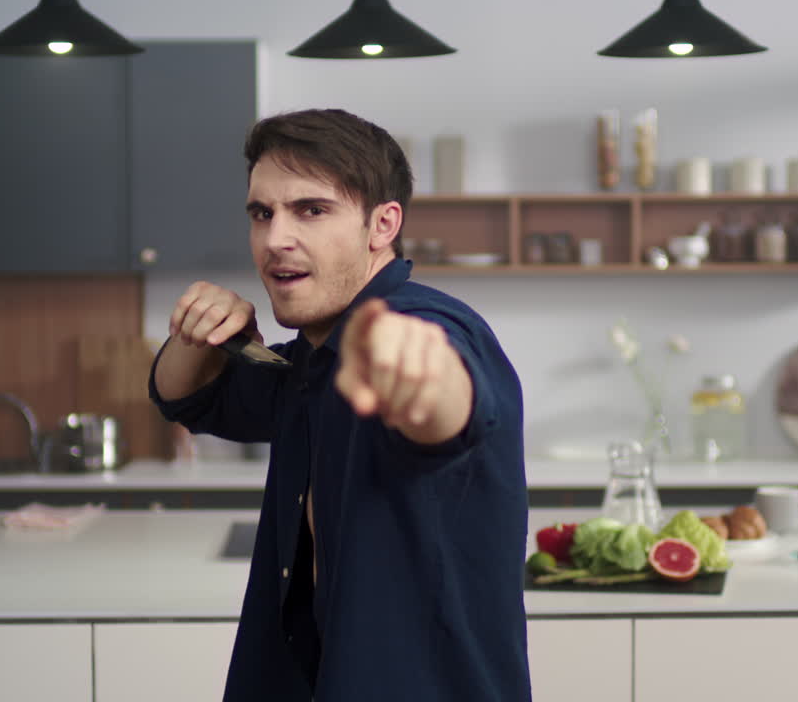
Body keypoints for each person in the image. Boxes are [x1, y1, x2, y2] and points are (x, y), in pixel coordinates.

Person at [149, 109, 530, 701]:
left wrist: (422, 380)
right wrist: (193, 332)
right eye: (262, 213)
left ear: (382, 225)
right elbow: (189, 398)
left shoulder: (428, 325)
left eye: (312, 210)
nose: (276, 238)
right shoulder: (310, 360)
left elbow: (450, 408)